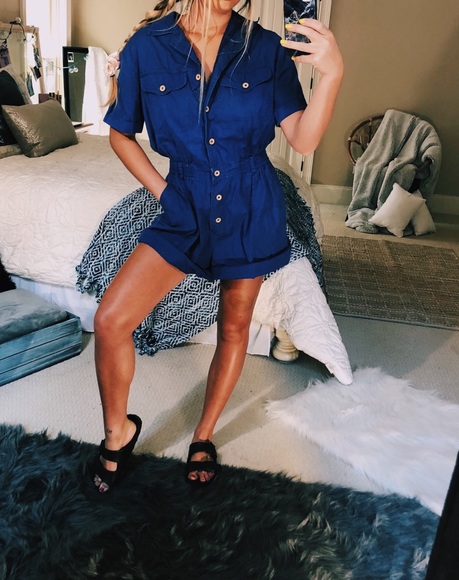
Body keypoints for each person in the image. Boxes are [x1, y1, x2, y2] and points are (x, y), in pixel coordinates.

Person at [93, 0, 343, 492]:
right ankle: (118, 432)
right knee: (110, 320)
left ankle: (203, 435)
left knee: (234, 327)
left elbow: (303, 139)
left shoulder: (266, 48)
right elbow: (120, 134)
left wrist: (332, 74)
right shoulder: (147, 46)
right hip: (182, 203)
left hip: (251, 205)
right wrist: (164, 194)